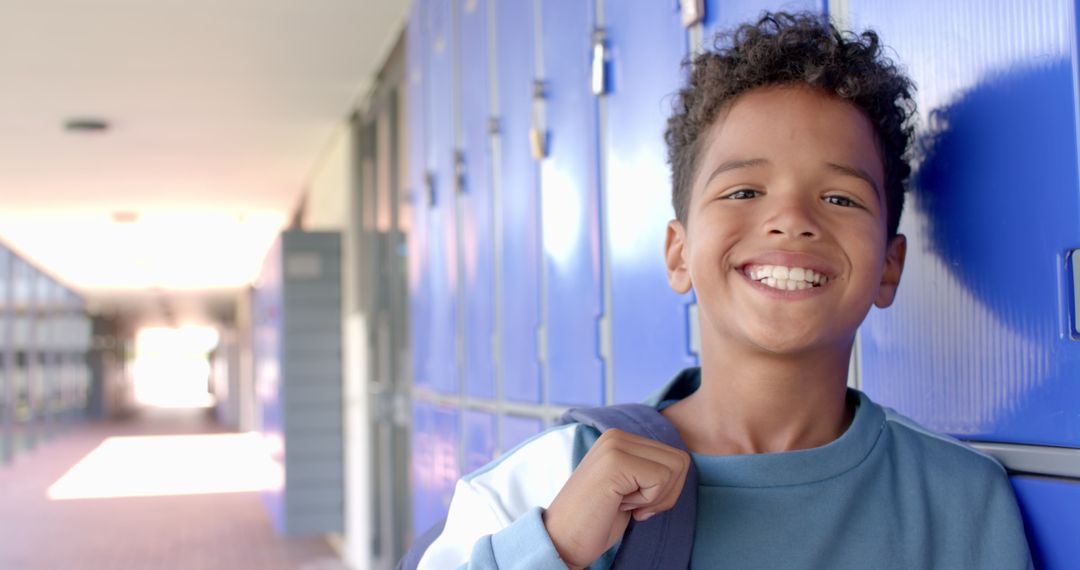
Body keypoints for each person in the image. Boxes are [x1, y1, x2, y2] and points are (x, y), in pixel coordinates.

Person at [409, 12, 1032, 569]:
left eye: (840, 198)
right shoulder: (545, 482)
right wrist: (557, 552)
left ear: (889, 268)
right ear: (679, 254)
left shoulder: (960, 500)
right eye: (743, 192)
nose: (791, 219)